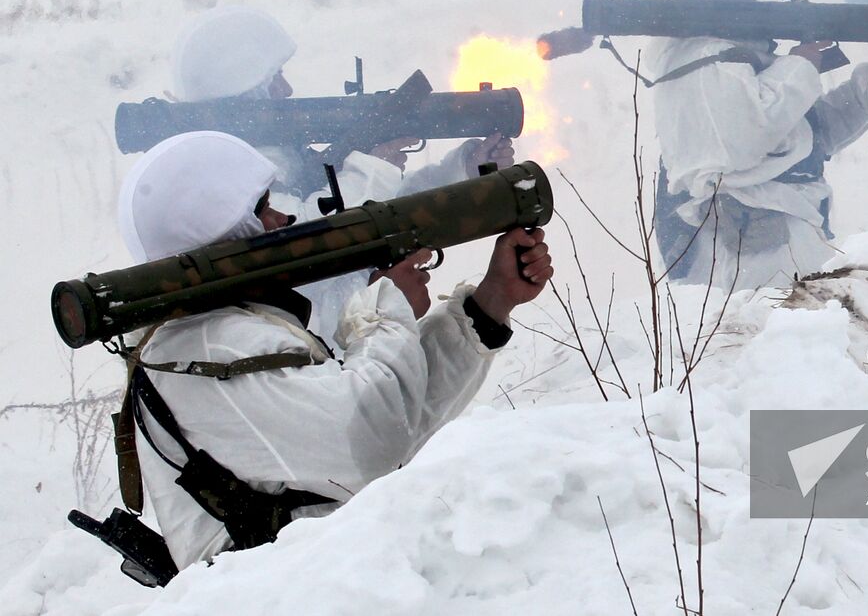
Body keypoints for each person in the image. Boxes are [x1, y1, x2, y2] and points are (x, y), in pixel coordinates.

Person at [114, 130, 552, 572]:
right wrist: (386, 308)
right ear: (225, 232)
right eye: (263, 209)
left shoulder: (212, 334)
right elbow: (371, 439)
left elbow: (398, 415)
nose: (283, 219)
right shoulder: (216, 346)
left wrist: (491, 302)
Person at [171, 5, 516, 332]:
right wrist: (372, 168)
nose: (287, 90)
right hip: (307, 349)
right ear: (244, 89)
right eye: (275, 78)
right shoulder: (229, 174)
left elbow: (381, 214)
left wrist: (462, 169)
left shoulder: (280, 156)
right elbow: (297, 242)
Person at [650, 0, 868, 290]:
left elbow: (805, 136)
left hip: (782, 235)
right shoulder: (706, 58)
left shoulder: (733, 56)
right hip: (755, 250)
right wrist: (801, 64)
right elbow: (750, 134)